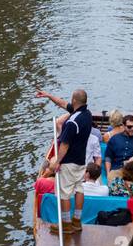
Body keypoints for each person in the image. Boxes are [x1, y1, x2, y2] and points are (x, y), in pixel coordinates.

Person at [34, 87, 93, 233]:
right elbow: (62, 103)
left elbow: (65, 145)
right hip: (81, 161)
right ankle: (77, 221)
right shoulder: (87, 114)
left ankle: (66, 224)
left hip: (69, 162)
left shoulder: (72, 122)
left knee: (64, 193)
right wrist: (48, 96)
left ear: (74, 101)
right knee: (79, 189)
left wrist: (57, 162)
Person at [103, 114, 133, 180]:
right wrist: (108, 173)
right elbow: (108, 157)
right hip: (117, 170)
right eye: (129, 127)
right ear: (123, 126)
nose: (132, 129)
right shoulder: (114, 139)